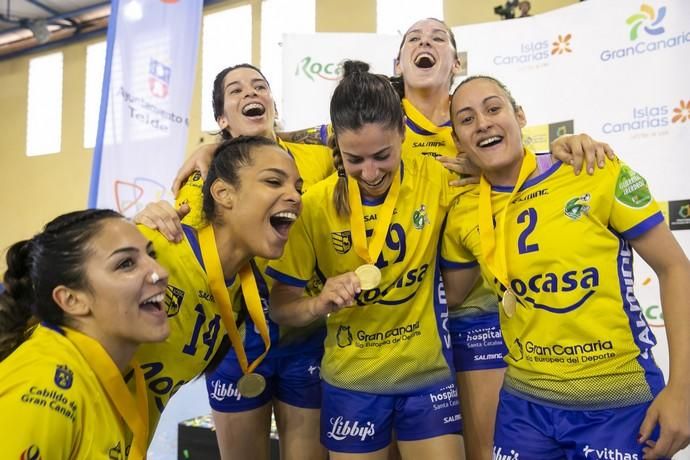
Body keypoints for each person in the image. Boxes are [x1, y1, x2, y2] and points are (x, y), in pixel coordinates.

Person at [441, 75, 690, 460]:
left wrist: (682, 391)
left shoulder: (593, 168)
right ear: (458, 140)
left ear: (520, 116)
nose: (483, 123)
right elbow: (452, 294)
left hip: (618, 399)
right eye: (467, 119)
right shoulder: (462, 211)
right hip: (524, 406)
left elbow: (675, 268)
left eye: (493, 109)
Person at [267, 60, 464, 460]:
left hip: (425, 377)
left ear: (403, 133)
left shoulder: (438, 179)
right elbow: (282, 306)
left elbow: (515, 172)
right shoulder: (315, 206)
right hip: (351, 382)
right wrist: (318, 303)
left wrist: (568, 148)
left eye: (382, 156)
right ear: (336, 144)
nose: (370, 172)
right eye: (354, 159)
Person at [139, 65, 330, 460]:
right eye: (237, 90)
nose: (251, 93)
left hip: (301, 331)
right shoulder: (206, 176)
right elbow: (177, 233)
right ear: (223, 118)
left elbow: (367, 130)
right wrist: (147, 221)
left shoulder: (318, 157)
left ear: (273, 103)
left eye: (260, 86)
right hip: (236, 335)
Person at [130, 134, 304, 451]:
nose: (293, 196)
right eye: (274, 182)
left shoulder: (237, 290)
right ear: (223, 193)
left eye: (297, 187)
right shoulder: (156, 248)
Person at [0, 209, 170, 459]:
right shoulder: (46, 389)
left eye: (151, 254)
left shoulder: (110, 370)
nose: (161, 272)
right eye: (126, 263)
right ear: (71, 299)